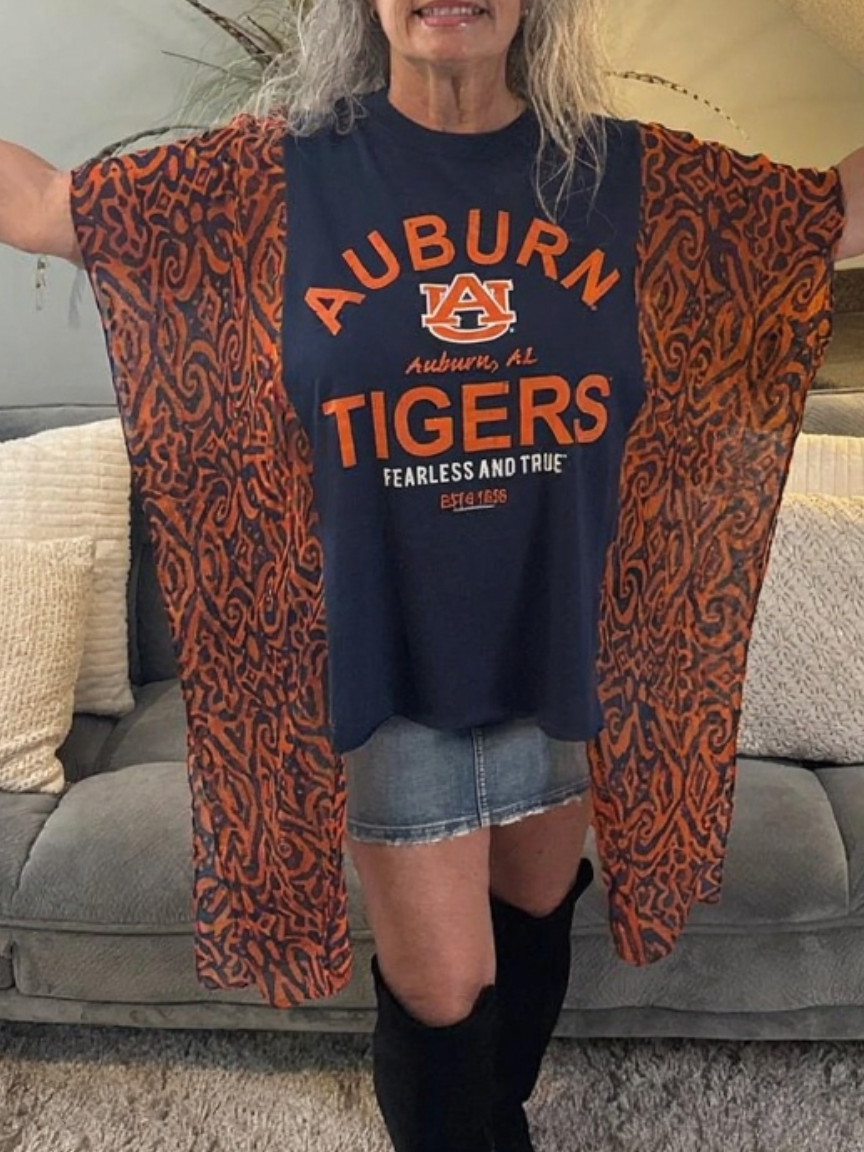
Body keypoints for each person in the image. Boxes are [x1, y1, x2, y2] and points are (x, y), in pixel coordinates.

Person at [2, 1, 863, 1148]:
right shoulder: (273, 179)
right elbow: (43, 204)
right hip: (389, 661)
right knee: (446, 993)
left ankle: (501, 1118)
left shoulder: (620, 178)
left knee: (536, 920)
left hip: (563, 647)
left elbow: (831, 211)